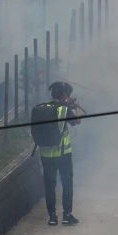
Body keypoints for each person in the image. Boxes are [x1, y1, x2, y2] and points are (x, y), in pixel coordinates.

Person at [34, 81, 83, 226]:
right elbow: (77, 121)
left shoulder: (43, 108)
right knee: (67, 184)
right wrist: (76, 106)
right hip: (63, 155)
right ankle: (67, 215)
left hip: (46, 155)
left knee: (50, 186)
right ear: (65, 95)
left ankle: (52, 217)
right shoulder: (64, 110)